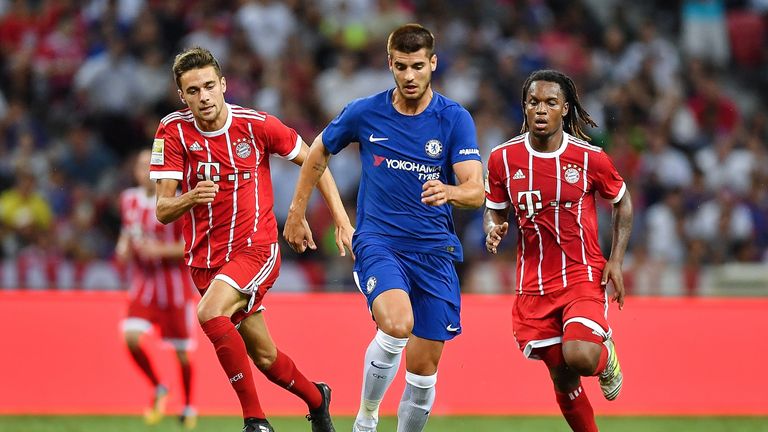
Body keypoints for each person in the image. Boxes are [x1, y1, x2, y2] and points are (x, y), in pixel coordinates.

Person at [284, 24, 484, 432]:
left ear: (433, 64)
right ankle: (366, 417)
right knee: (396, 325)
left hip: (434, 252)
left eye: (417, 66)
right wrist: (296, 211)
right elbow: (318, 150)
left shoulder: (453, 119)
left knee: (424, 373)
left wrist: (449, 191)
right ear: (389, 64)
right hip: (380, 243)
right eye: (401, 67)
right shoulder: (365, 112)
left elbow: (476, 190)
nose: (409, 76)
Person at [149, 46, 353, 432]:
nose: (204, 96)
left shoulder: (256, 126)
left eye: (210, 86)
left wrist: (325, 216)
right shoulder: (172, 130)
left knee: (209, 314)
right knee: (263, 355)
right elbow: (162, 210)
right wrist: (191, 197)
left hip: (255, 248)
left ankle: (255, 421)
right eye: (193, 90)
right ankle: (317, 398)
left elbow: (315, 160)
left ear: (224, 85)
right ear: (182, 95)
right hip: (204, 259)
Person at [484, 69, 632, 432]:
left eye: (550, 103)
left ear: (565, 109)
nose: (541, 110)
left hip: (582, 273)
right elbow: (494, 208)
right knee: (564, 380)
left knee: (580, 356)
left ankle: (605, 357)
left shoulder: (589, 157)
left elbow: (622, 202)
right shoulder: (503, 159)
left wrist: (615, 260)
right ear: (524, 106)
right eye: (534, 102)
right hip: (533, 284)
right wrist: (493, 228)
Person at [116, 149, 198, 429]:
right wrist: (123, 248)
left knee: (182, 354)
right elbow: (128, 233)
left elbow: (190, 245)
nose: (143, 171)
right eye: (138, 165)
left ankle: (188, 406)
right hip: (144, 285)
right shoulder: (128, 201)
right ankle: (159, 387)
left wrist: (160, 250)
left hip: (174, 287)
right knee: (130, 337)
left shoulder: (173, 204)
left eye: (147, 165)